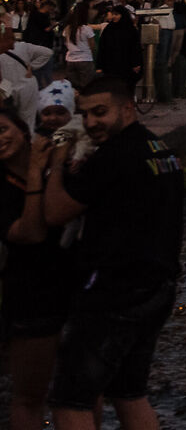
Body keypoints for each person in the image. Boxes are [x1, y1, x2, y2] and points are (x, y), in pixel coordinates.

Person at [43, 77, 183, 430]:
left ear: (127, 109)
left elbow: (56, 212)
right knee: (129, 393)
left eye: (100, 112)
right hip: (157, 286)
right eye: (85, 114)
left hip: (113, 290)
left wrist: (55, 161)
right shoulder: (160, 149)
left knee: (69, 401)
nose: (90, 123)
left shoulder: (114, 156)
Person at [0, 102, 71, 430]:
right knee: (30, 396)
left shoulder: (57, 163)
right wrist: (34, 173)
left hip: (75, 286)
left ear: (24, 131)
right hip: (31, 294)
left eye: (2, 130)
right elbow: (30, 232)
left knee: (79, 392)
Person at [93, 7, 140, 97]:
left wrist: (136, 63)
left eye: (117, 14)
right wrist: (99, 65)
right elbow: (102, 48)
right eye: (113, 14)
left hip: (126, 65)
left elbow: (135, 48)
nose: (114, 17)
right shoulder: (109, 29)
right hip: (110, 65)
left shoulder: (130, 29)